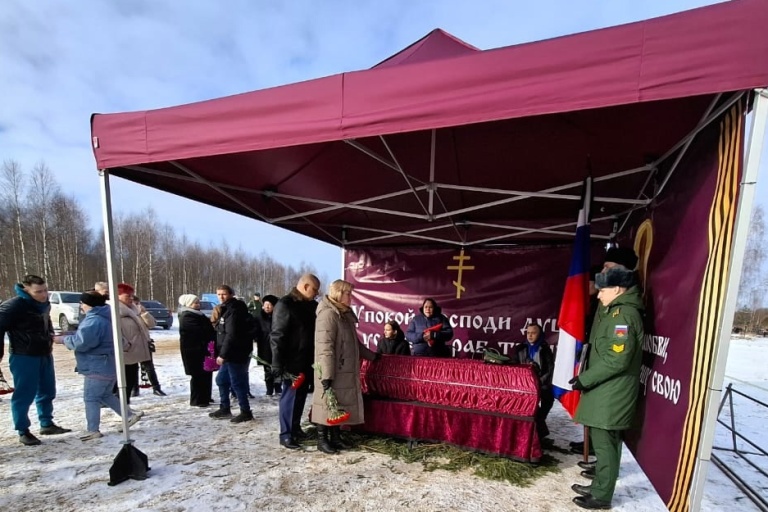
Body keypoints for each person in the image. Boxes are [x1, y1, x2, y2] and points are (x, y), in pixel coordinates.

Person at [569, 266, 644, 510]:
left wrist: (585, 379)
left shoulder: (622, 316)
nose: (599, 294)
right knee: (606, 443)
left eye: (603, 290)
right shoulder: (615, 312)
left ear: (617, 289)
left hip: (611, 391)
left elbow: (617, 359)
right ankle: (600, 485)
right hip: (607, 389)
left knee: (605, 444)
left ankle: (601, 495)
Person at [56, 291, 143, 440]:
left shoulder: (93, 321)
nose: (81, 306)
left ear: (88, 305)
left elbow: (82, 342)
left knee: (91, 398)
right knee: (105, 395)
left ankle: (92, 429)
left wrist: (63, 340)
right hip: (109, 364)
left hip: (97, 365)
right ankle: (129, 415)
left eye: (82, 303)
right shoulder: (108, 317)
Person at [0, 274, 71, 445]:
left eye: (45, 290)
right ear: (26, 289)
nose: (44, 294)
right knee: (24, 394)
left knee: (48, 390)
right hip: (23, 355)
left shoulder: (44, 304)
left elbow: (46, 323)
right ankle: (23, 430)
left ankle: (46, 423)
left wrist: (51, 334)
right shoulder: (13, 306)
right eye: (38, 291)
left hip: (44, 353)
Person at [312, 280, 378, 454]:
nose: (351, 297)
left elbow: (355, 344)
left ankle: (335, 436)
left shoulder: (344, 315)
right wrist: (326, 375)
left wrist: (373, 356)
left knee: (338, 405)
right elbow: (324, 347)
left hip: (343, 370)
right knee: (326, 404)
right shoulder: (328, 315)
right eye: (348, 293)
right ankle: (322, 439)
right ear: (338, 294)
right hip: (331, 370)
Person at [270, 273, 320, 449]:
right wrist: (277, 363)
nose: (316, 293)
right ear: (305, 286)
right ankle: (286, 434)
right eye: (314, 289)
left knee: (300, 397)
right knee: (290, 397)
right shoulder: (285, 304)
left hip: (307, 360)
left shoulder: (312, 305)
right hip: (291, 361)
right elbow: (277, 336)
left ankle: (295, 427)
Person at [209, 284, 255, 423]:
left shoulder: (235, 309)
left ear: (230, 294)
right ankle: (225, 408)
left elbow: (231, 334)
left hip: (236, 353)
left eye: (224, 294)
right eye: (218, 294)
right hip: (228, 353)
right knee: (221, 380)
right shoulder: (225, 308)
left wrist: (223, 354)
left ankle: (245, 411)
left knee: (237, 383)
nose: (221, 297)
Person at [512, 323, 554, 443]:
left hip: (541, 385)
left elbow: (549, 370)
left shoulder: (545, 349)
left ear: (539, 334)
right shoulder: (520, 348)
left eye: (533, 333)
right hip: (524, 386)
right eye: (528, 333)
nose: (530, 335)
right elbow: (515, 367)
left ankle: (538, 430)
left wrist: (538, 383)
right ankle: (539, 433)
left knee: (548, 401)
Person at [115, 283, 155, 404]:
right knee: (123, 382)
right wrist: (126, 345)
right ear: (118, 296)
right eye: (128, 296)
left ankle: (126, 405)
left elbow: (151, 324)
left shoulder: (134, 309)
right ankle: (121, 407)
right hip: (125, 352)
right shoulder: (115, 311)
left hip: (136, 352)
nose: (131, 298)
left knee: (131, 380)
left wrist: (143, 313)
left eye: (132, 296)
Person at [178, 294, 215, 407]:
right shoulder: (187, 316)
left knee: (206, 373)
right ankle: (197, 400)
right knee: (198, 375)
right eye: (195, 303)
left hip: (203, 349)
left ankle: (206, 396)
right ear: (189, 304)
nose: (198, 304)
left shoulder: (198, 314)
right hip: (193, 351)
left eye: (198, 302)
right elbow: (199, 331)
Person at [131, 294, 167, 397]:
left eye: (137, 303)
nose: (136, 305)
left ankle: (156, 387)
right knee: (133, 367)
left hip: (144, 343)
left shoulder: (142, 314)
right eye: (134, 303)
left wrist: (144, 313)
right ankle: (134, 388)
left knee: (149, 367)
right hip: (131, 344)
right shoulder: (127, 314)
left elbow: (152, 324)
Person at [255, 295, 280, 396]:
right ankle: (269, 389)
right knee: (267, 368)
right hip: (264, 346)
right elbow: (255, 330)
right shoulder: (259, 317)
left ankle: (278, 387)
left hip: (277, 346)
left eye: (269, 305)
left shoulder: (279, 317)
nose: (267, 307)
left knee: (278, 366)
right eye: (265, 304)